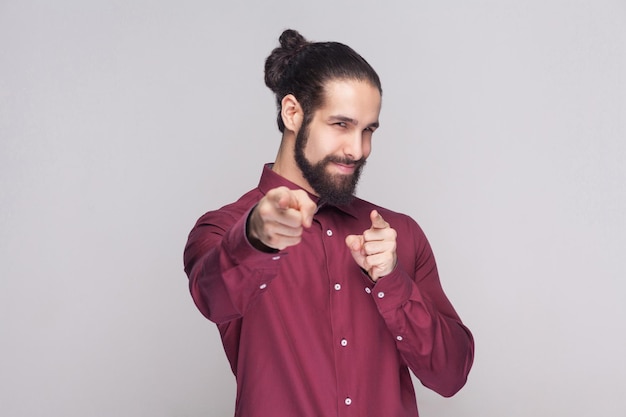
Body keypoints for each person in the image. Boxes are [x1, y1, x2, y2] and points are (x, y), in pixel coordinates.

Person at [183, 29, 474, 417]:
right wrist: (256, 241)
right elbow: (213, 298)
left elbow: (451, 375)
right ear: (292, 113)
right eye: (341, 125)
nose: (358, 149)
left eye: (368, 129)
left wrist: (392, 281)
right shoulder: (224, 229)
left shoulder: (398, 234)